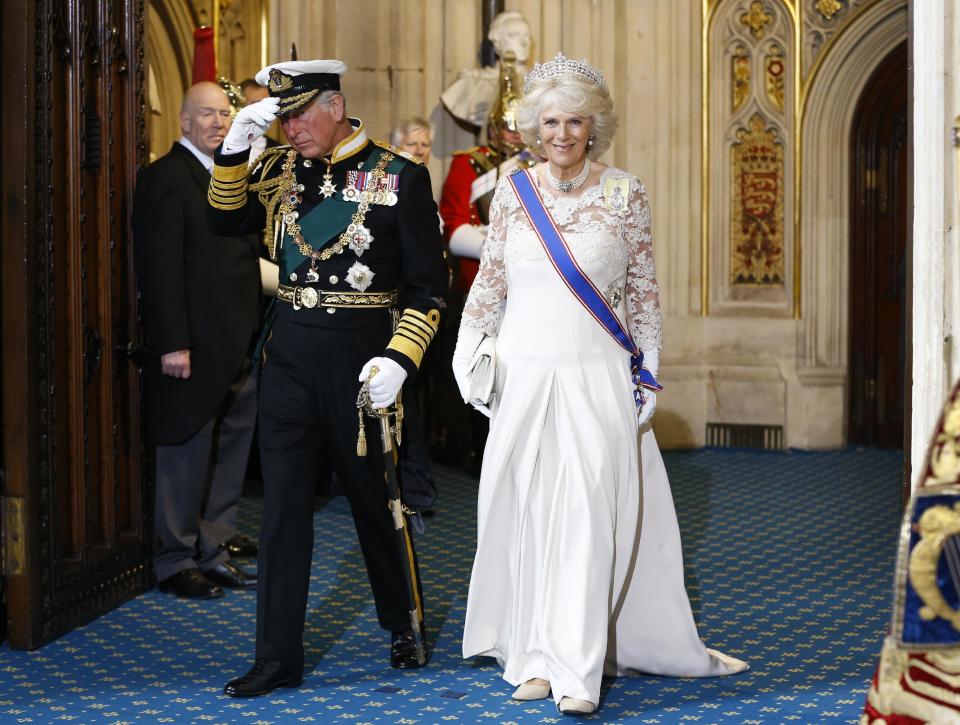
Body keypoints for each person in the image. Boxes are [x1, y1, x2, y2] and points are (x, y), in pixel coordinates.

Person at [451, 53, 748, 716]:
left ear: (595, 126)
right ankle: (531, 654)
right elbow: (489, 287)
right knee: (527, 516)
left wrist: (648, 367)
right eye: (549, 121)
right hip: (524, 377)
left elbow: (643, 292)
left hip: (595, 378)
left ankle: (575, 665)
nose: (561, 133)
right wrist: (470, 357)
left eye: (575, 121)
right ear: (534, 126)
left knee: (586, 519)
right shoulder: (512, 194)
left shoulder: (624, 193)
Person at [206, 59, 447, 697]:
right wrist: (235, 146)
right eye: (280, 117)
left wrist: (401, 358)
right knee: (284, 511)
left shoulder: (400, 176)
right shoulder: (278, 170)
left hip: (363, 361)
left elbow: (428, 288)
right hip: (287, 359)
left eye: (300, 114)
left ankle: (402, 621)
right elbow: (222, 218)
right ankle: (276, 657)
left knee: (377, 502)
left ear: (335, 105)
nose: (290, 129)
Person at [132, 82, 260, 599]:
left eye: (225, 115)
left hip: (238, 342)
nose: (218, 123)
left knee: (229, 453)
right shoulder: (166, 177)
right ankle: (175, 559)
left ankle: (213, 547)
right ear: (183, 121)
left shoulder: (230, 176)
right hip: (192, 345)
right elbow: (159, 269)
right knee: (184, 452)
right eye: (206, 114)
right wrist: (172, 343)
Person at [437, 51, 536, 472]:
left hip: (531, 290)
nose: (512, 135)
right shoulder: (468, 164)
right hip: (481, 284)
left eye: (519, 127)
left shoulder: (540, 166)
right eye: (506, 126)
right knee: (484, 374)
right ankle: (480, 450)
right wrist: (504, 248)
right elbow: (455, 227)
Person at [441, 10, 533, 127]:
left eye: (527, 36)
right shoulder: (471, 83)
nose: (523, 43)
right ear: (497, 43)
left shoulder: (543, 84)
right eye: (514, 35)